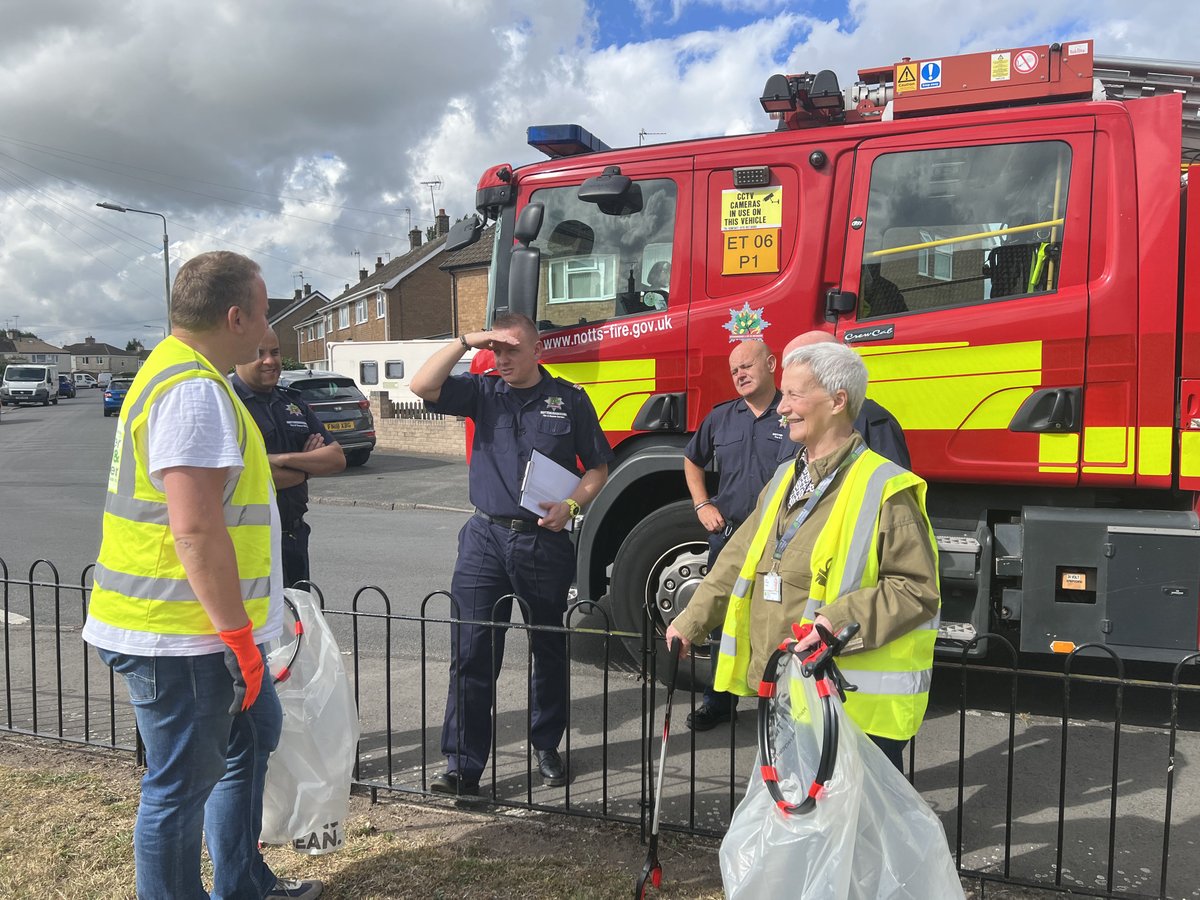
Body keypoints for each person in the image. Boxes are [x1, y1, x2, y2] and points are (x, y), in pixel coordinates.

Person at [82, 251, 322, 898]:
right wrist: (241, 641)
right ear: (236, 316)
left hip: (202, 631)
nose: (270, 324)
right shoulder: (192, 390)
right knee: (178, 790)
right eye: (265, 309)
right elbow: (194, 528)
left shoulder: (186, 376)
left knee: (254, 736)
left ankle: (243, 885)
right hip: (180, 636)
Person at [666, 341, 939, 771]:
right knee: (795, 821)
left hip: (850, 708)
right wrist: (691, 619)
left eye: (794, 395)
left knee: (856, 834)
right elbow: (739, 558)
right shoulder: (783, 477)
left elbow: (915, 591)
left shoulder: (886, 487)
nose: (782, 408)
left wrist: (836, 621)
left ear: (837, 401)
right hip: (785, 690)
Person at [411, 312, 614, 797]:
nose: (501, 359)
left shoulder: (569, 400)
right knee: (473, 650)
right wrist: (466, 340)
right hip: (484, 538)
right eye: (496, 351)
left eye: (511, 350)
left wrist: (571, 505)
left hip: (543, 540)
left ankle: (546, 743)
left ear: (538, 351)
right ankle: (463, 765)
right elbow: (422, 385)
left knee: (547, 647)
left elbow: (598, 469)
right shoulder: (483, 392)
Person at [682, 339, 788, 731]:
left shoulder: (792, 415)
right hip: (728, 538)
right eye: (734, 371)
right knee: (721, 622)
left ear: (772, 363)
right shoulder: (721, 418)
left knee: (776, 625)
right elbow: (692, 460)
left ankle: (778, 707)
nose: (740, 375)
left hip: (779, 543)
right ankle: (718, 701)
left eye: (747, 366)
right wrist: (702, 505)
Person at [232, 326, 346, 587]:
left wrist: (281, 460)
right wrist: (308, 466)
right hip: (250, 541)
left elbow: (336, 458)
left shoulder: (291, 402)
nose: (270, 361)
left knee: (298, 620)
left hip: (294, 535)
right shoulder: (229, 402)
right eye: (259, 353)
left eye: (275, 352)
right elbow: (246, 475)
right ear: (238, 355)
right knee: (264, 626)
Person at [783, 331, 910, 470]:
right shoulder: (795, 421)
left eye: (801, 361)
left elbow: (889, 480)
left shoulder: (872, 421)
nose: (782, 408)